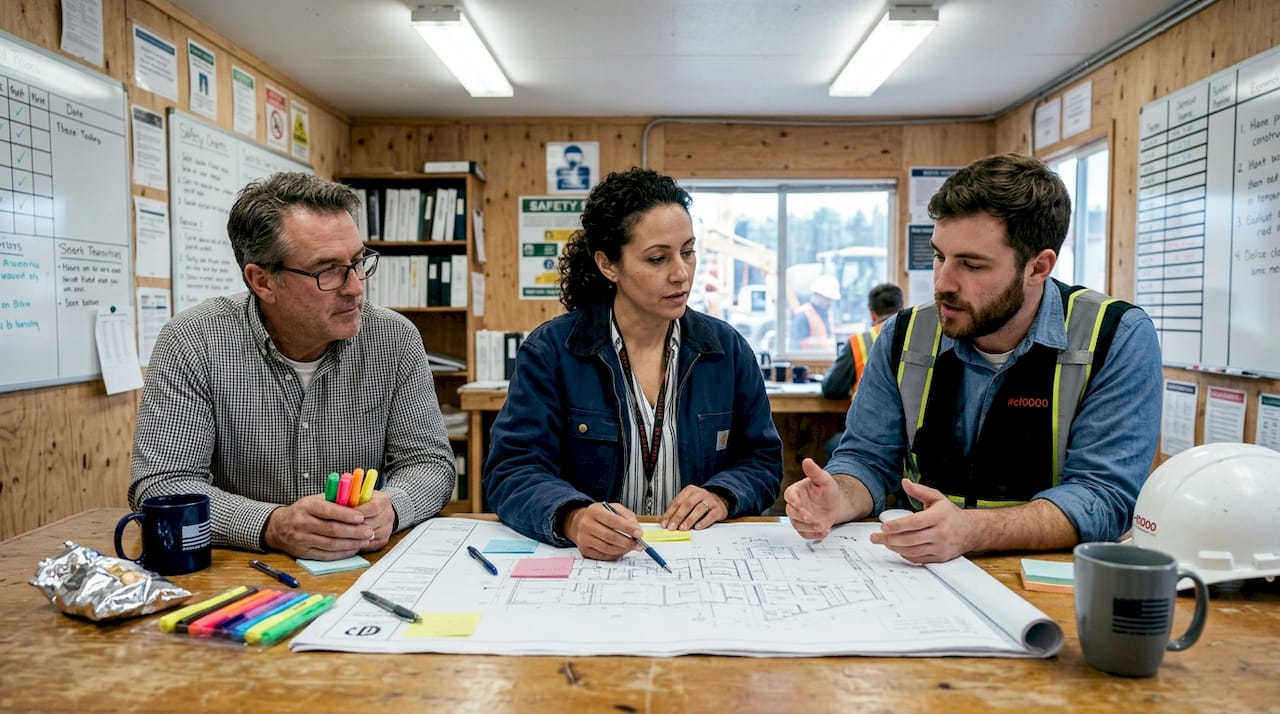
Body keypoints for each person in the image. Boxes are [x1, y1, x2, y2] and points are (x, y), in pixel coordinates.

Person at [786, 153, 1162, 564]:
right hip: (922, 568)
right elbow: (866, 459)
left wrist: (970, 530)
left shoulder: (1115, 337)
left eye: (971, 264)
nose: (943, 282)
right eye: (939, 256)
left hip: (1048, 576)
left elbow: (1104, 496)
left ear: (1038, 267)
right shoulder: (902, 336)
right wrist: (839, 497)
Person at [130, 172, 456, 561]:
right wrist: (272, 525)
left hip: (360, 563)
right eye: (328, 270)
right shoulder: (193, 342)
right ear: (263, 281)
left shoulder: (393, 339)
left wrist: (393, 506)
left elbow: (429, 463)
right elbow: (162, 485)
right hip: (242, 569)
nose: (355, 287)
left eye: (357, 262)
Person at [484, 167, 784, 560]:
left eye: (688, 252)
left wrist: (723, 495)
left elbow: (762, 461)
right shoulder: (552, 352)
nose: (681, 274)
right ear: (609, 265)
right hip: (590, 563)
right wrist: (573, 518)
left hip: (698, 559)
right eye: (658, 258)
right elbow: (512, 469)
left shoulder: (727, 350)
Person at [821, 282, 904, 400]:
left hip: (870, 411)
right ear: (902, 309)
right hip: (911, 412)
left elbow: (831, 388)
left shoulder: (858, 342)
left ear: (872, 314)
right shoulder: (916, 336)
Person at [791, 274, 840, 352]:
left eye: (831, 299)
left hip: (826, 357)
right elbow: (796, 345)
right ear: (818, 295)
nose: (830, 302)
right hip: (810, 358)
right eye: (827, 299)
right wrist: (820, 343)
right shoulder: (803, 315)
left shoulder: (827, 313)